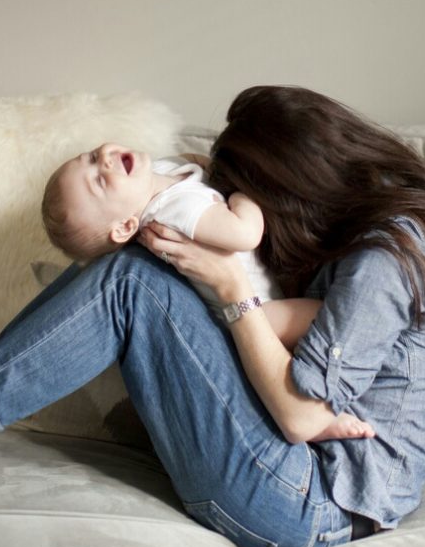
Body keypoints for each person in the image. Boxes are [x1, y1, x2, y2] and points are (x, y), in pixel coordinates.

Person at [0, 85, 425, 547]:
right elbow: (306, 328)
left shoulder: (386, 257)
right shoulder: (376, 240)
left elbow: (302, 418)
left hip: (309, 505)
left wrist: (231, 284)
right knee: (138, 265)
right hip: (295, 469)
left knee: (131, 282)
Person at [41, 144, 375, 441]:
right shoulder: (173, 214)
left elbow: (194, 164)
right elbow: (246, 233)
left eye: (90, 157)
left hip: (260, 296)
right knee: (330, 316)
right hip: (255, 312)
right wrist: (242, 192)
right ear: (126, 227)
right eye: (99, 181)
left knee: (316, 346)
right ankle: (321, 421)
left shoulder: (160, 174)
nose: (104, 161)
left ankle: (327, 404)